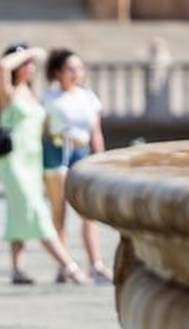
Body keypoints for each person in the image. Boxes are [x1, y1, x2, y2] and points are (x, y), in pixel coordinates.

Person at [0, 43, 90, 285]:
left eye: (31, 64)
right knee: (38, 212)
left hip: (34, 161)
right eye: (25, 64)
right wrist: (28, 52)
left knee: (18, 213)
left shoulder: (32, 93)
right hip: (13, 162)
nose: (30, 67)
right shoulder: (8, 91)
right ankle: (70, 267)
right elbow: (1, 66)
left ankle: (17, 270)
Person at [41, 49, 114, 285]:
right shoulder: (49, 99)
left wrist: (101, 160)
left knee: (87, 212)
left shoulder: (88, 97)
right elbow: (41, 131)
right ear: (58, 72)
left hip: (81, 152)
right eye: (71, 69)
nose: (76, 73)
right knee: (59, 211)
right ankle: (65, 265)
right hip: (57, 152)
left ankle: (96, 264)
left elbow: (96, 131)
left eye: (79, 68)